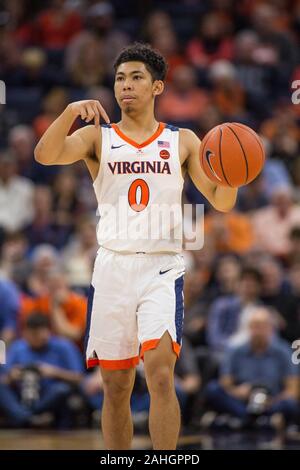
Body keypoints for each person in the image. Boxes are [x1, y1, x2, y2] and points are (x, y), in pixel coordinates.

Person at [34, 43, 238, 450]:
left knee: (161, 374)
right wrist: (72, 112)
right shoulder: (97, 137)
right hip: (112, 267)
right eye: (120, 78)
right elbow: (45, 155)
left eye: (137, 77)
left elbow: (220, 199)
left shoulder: (182, 140)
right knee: (116, 384)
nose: (126, 85)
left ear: (158, 87)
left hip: (162, 267)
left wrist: (234, 172)